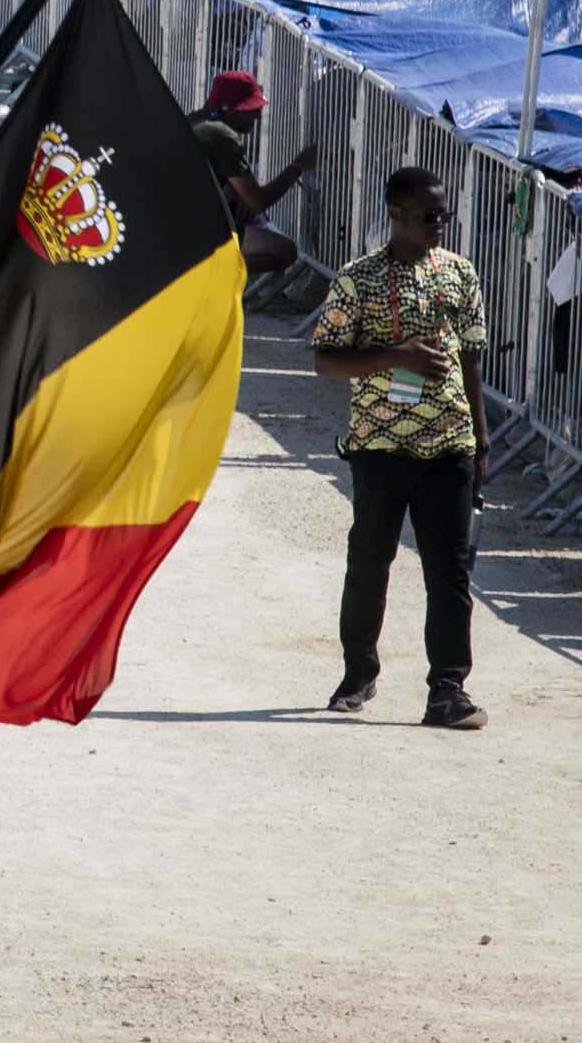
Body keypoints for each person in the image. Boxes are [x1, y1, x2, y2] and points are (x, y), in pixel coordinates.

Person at [310, 167, 488, 731]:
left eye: (443, 215)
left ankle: (448, 690)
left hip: (448, 445)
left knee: (450, 571)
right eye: (426, 215)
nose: (438, 225)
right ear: (395, 213)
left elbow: (472, 359)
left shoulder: (459, 274)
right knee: (369, 563)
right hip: (380, 446)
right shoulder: (358, 280)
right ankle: (357, 674)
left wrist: (480, 439)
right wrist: (395, 356)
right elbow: (325, 360)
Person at [191, 70, 317, 287]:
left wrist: (234, 193)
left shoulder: (194, 120)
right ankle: (202, 275)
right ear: (230, 109)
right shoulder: (221, 135)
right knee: (285, 251)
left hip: (173, 223)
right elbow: (258, 202)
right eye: (251, 110)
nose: (257, 116)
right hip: (194, 231)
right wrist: (298, 166)